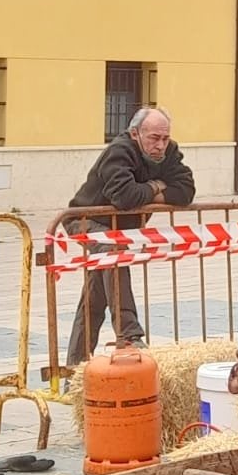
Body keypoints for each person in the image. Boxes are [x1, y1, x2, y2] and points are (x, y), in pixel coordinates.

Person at [65, 106, 195, 366]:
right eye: (153, 138)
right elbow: (125, 197)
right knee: (113, 253)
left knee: (94, 299)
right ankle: (129, 334)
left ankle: (74, 371)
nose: (160, 145)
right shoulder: (119, 151)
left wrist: (145, 190)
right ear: (135, 134)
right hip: (86, 221)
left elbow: (186, 191)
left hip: (119, 230)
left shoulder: (169, 153)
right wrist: (157, 186)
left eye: (164, 138)